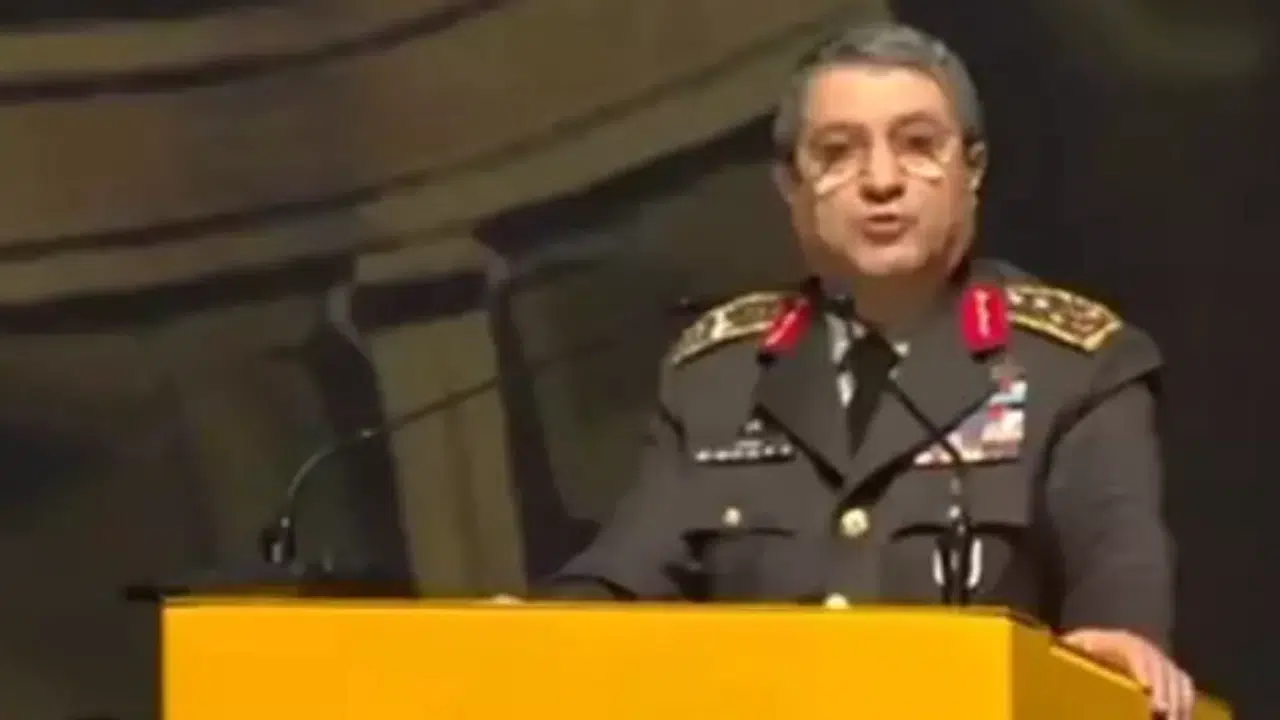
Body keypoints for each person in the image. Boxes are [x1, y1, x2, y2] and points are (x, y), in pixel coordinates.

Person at [531, 22, 1194, 719]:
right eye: (838, 153)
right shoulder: (719, 374)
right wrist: (518, 633)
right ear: (791, 185)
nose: (882, 181)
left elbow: (1116, 585)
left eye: (918, 145)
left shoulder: (1076, 366)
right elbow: (625, 578)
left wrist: (1122, 649)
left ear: (972, 170)